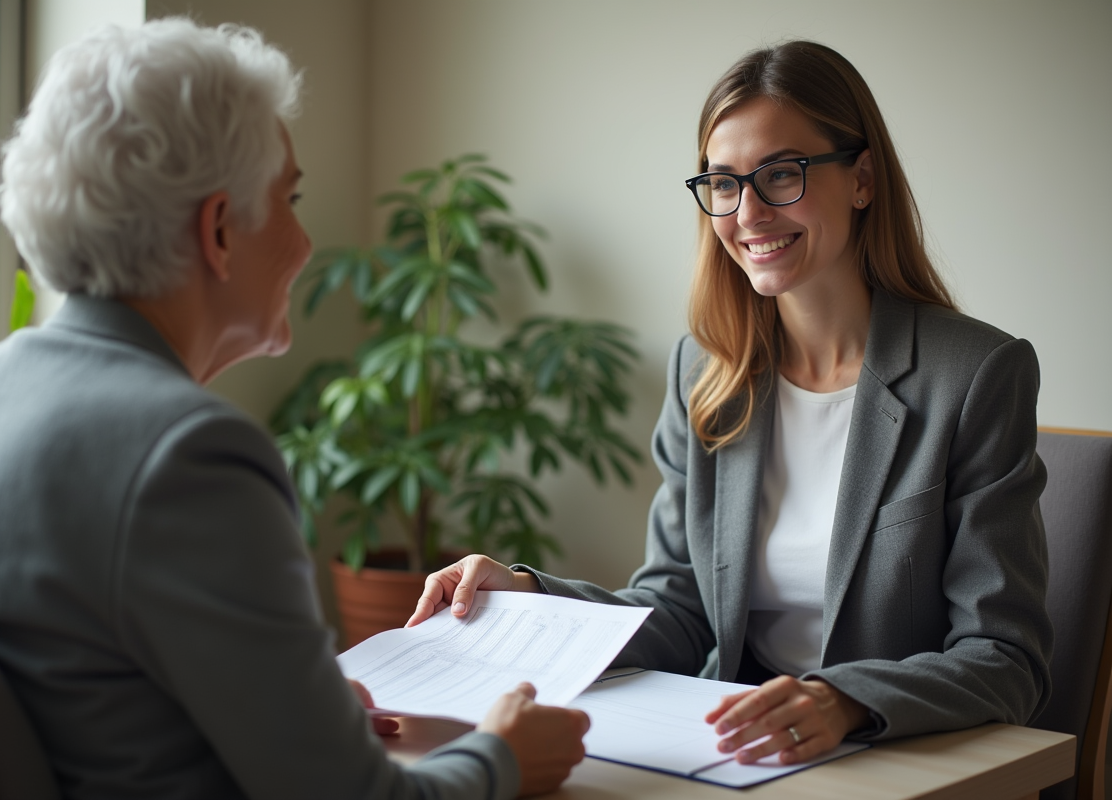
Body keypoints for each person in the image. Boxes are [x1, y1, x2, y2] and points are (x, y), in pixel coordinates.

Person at [0, 18, 588, 800]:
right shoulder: (188, 452)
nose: (305, 242)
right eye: (290, 198)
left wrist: (297, 717)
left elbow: (82, 701)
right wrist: (502, 755)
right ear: (220, 229)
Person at [408, 40, 1052, 768]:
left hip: (891, 762)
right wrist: (525, 593)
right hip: (731, 754)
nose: (748, 213)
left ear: (863, 179)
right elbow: (680, 611)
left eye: (783, 173)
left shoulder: (975, 374)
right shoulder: (707, 372)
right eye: (723, 183)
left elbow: (1006, 660)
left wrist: (844, 701)